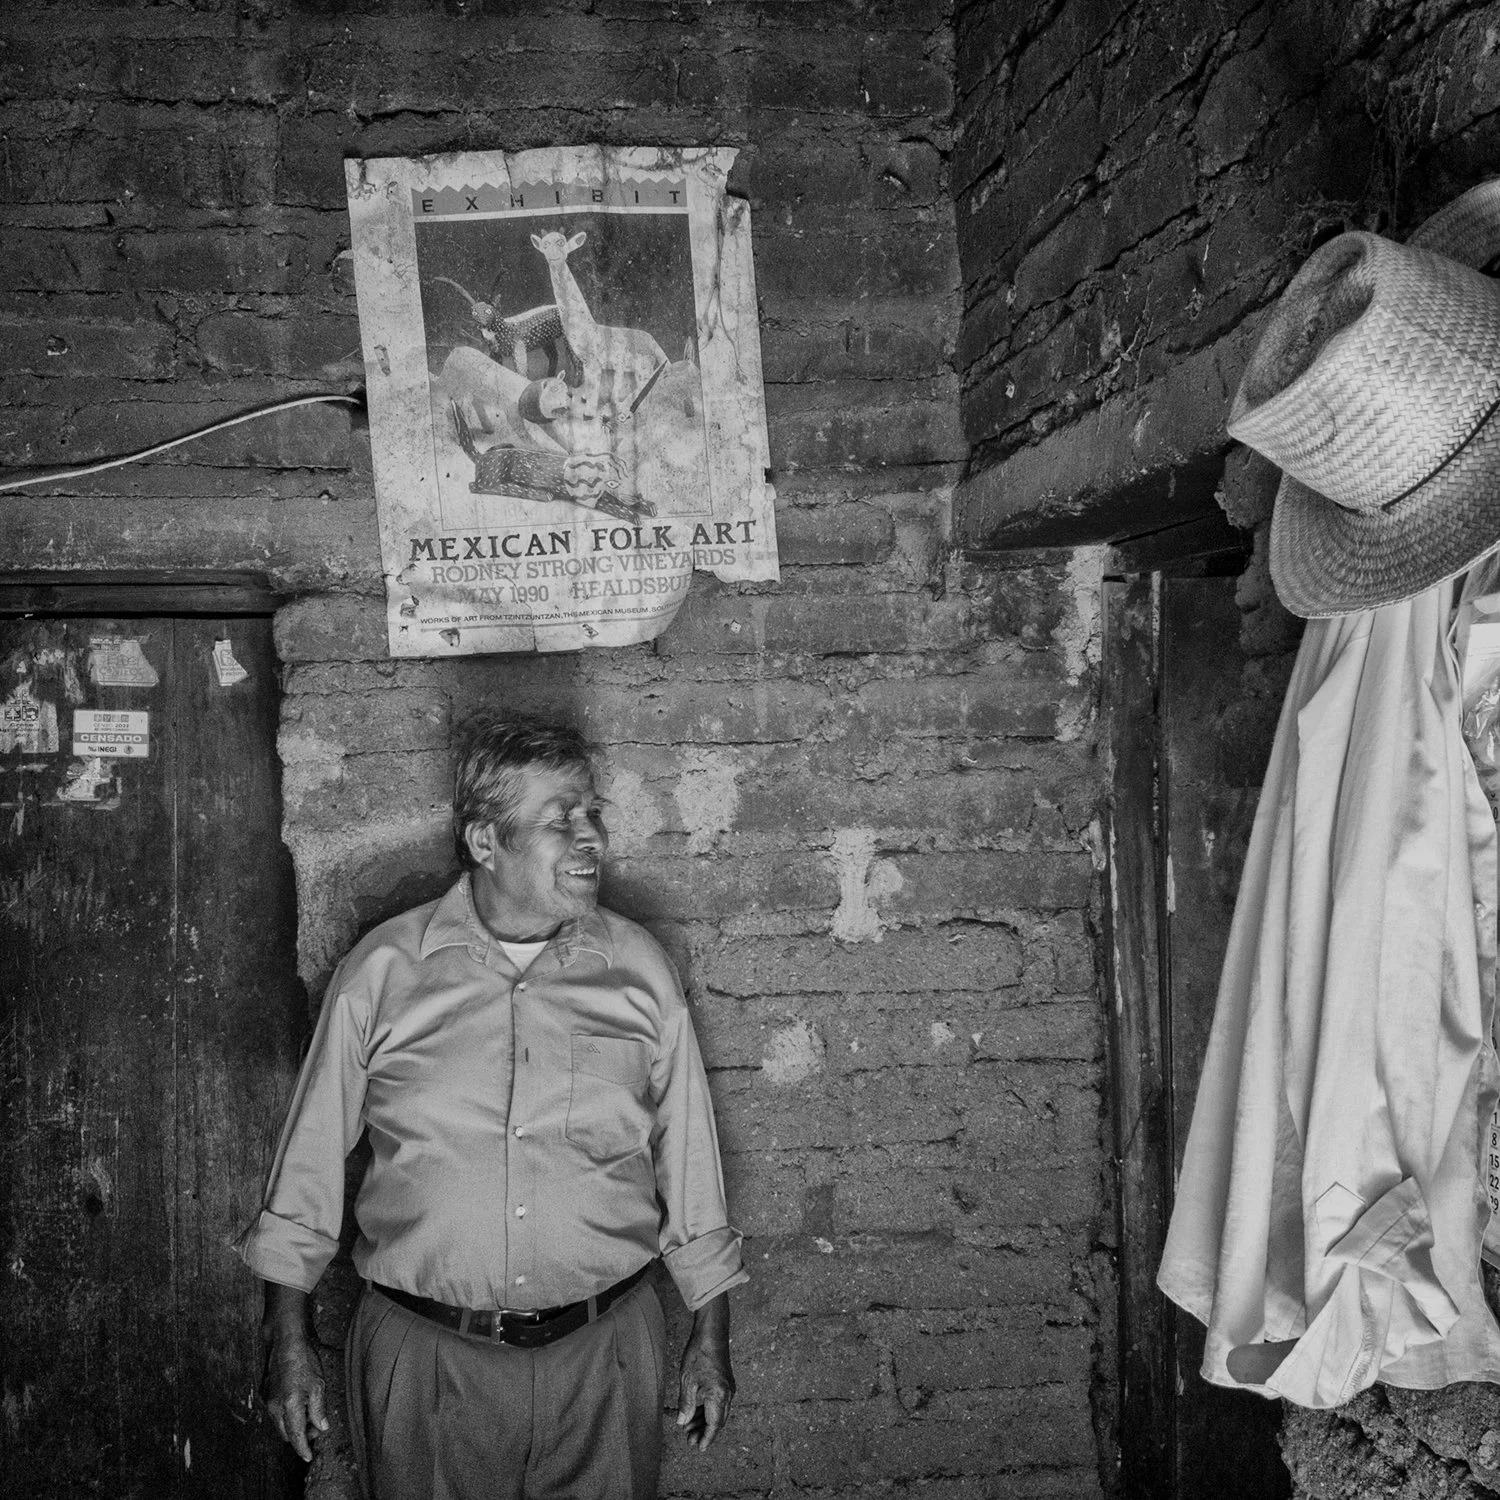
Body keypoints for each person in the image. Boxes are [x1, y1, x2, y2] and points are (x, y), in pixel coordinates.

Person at [235, 715, 745, 1499]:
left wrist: (711, 1333)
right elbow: (308, 1159)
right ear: (484, 841)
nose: (592, 838)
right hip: (427, 1360)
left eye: (593, 814)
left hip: (604, 1354)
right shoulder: (385, 971)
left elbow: (691, 1158)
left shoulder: (638, 968)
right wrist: (287, 1337)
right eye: (561, 819)